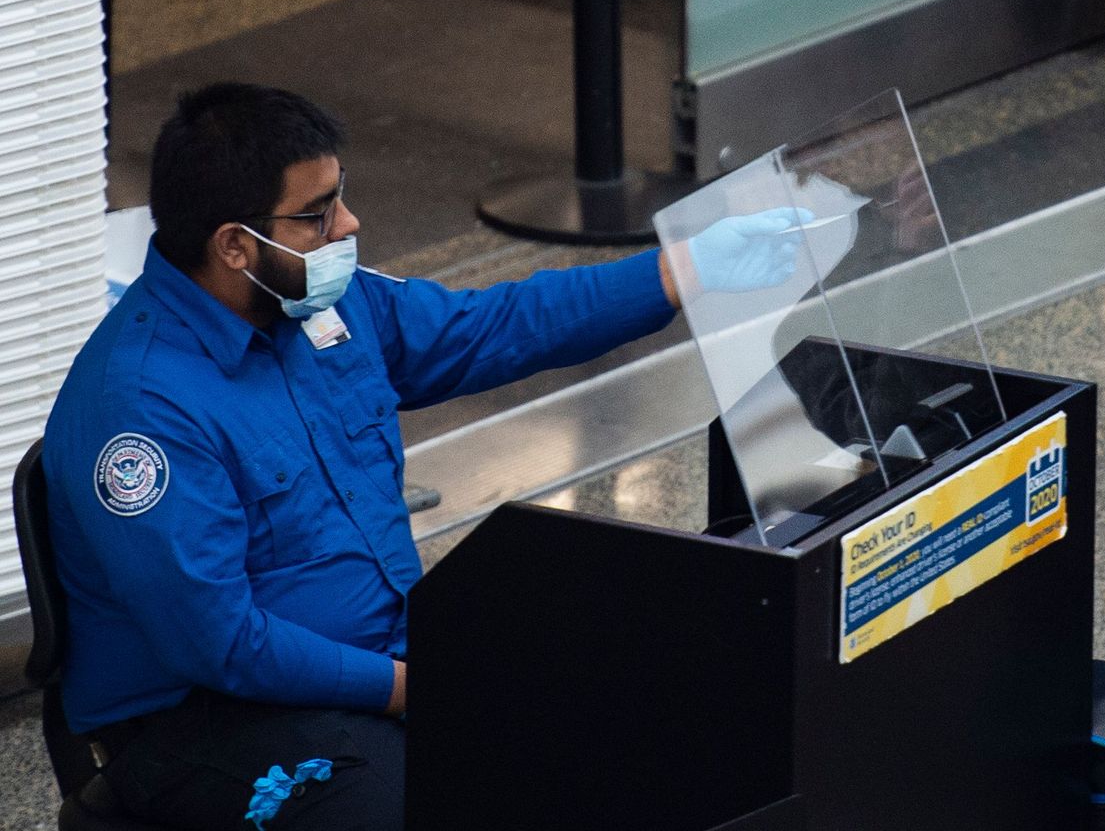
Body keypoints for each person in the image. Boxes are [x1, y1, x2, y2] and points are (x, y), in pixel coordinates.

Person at [41, 83, 806, 829]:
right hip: (205, 722)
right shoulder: (141, 407)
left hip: (391, 655)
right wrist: (410, 689)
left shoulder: (319, 301)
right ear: (235, 246)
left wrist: (679, 272)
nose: (349, 224)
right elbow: (220, 643)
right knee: (439, 803)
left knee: (643, 706)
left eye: (341, 195)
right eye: (316, 216)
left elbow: (492, 326)